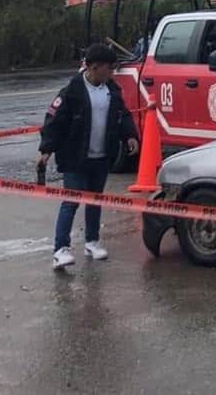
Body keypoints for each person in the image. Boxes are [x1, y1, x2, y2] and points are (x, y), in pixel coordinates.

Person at [37, 43, 140, 270]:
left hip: (102, 156)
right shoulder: (71, 92)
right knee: (72, 201)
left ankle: (92, 241)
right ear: (93, 67)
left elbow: (123, 114)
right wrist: (46, 150)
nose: (112, 73)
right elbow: (54, 121)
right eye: (108, 68)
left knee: (96, 200)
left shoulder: (111, 89)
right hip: (75, 156)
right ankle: (60, 249)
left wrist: (130, 135)